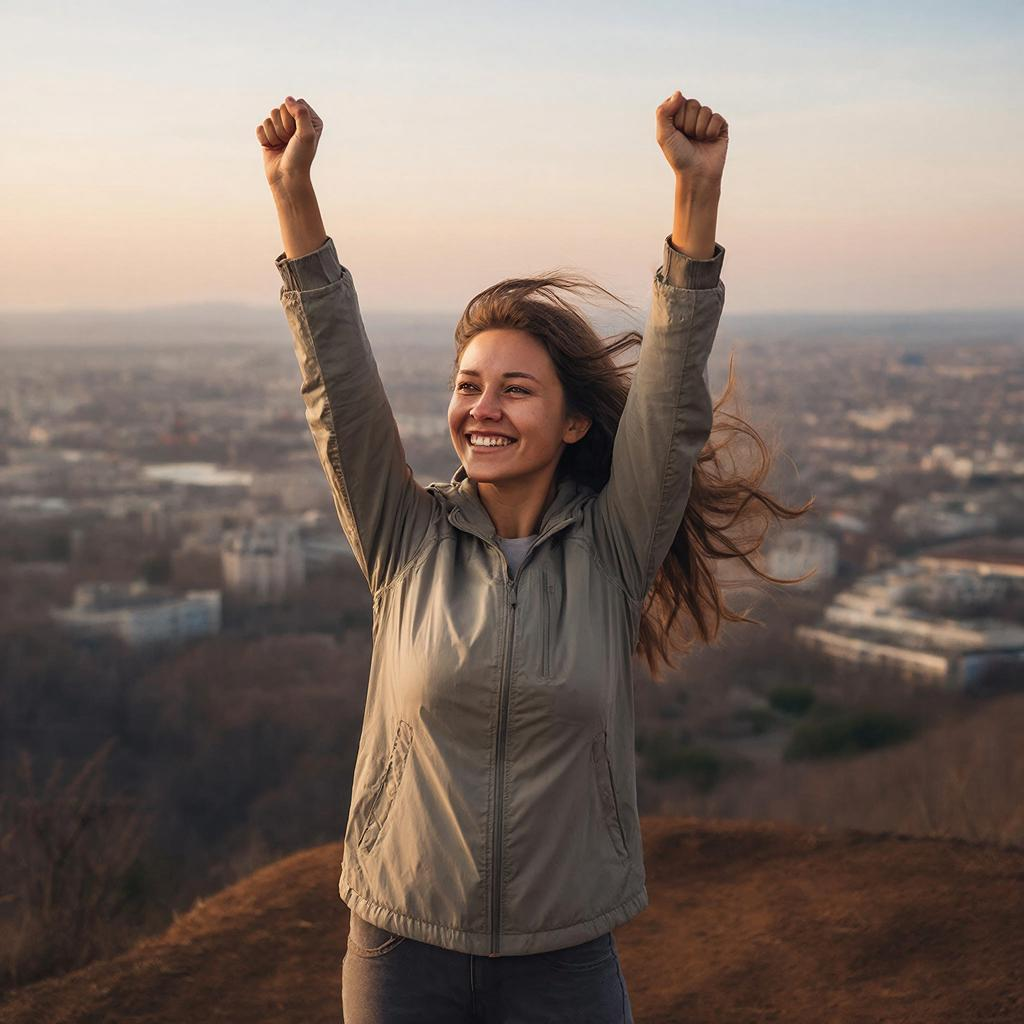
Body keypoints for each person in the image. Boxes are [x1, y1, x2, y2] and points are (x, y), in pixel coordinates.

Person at [257, 90, 809, 1024]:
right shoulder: (406, 538)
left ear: (575, 420)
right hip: (401, 947)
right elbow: (339, 389)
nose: (484, 408)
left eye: (517, 390)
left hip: (565, 956)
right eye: (470, 386)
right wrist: (294, 197)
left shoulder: (611, 549)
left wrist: (695, 199)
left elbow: (672, 401)